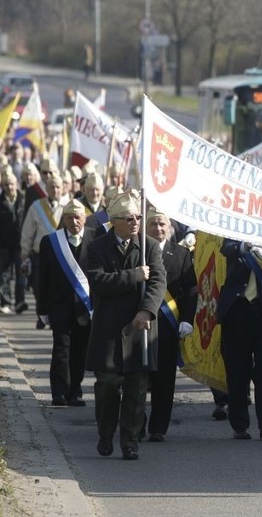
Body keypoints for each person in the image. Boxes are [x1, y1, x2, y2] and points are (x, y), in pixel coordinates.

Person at [84, 193, 166, 460]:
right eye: (129, 218)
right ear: (114, 222)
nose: (135, 223)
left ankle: (130, 440)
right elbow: (98, 281)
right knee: (107, 384)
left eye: (138, 218)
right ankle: (106, 433)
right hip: (108, 327)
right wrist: (133, 275)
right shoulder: (97, 247)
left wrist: (147, 311)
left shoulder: (149, 246)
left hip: (139, 327)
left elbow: (158, 282)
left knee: (137, 387)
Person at [216, 239, 262, 441]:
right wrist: (245, 246)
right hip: (237, 310)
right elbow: (226, 248)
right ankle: (240, 425)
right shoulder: (237, 223)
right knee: (237, 371)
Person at [143, 208, 198, 442]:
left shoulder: (181, 254)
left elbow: (192, 289)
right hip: (142, 325)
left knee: (164, 380)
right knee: (138, 380)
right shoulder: (139, 252)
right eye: (153, 224)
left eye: (162, 224)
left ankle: (158, 428)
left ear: (170, 227)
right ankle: (135, 423)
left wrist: (187, 318)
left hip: (168, 327)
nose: (158, 228)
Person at [37, 199, 93, 406]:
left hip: (84, 308)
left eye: (77, 217)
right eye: (69, 217)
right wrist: (42, 309)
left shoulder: (95, 238)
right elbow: (42, 277)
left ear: (84, 218)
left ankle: (75, 391)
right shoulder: (51, 241)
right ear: (64, 219)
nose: (73, 221)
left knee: (79, 351)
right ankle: (58, 392)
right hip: (59, 306)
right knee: (61, 348)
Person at [20, 175, 65, 329]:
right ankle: (41, 314)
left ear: (63, 189)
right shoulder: (37, 206)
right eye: (52, 187)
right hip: (40, 253)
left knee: (57, 286)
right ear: (47, 189)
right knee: (39, 285)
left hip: (62, 253)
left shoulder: (68, 206)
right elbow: (28, 230)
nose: (55, 190)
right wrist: (25, 250)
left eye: (58, 187)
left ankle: (54, 316)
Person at [0, 171, 26, 314]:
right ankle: (5, 302)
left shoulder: (23, 199)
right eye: (6, 184)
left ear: (16, 184)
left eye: (12, 184)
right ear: (3, 186)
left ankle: (20, 302)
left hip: (20, 244)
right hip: (3, 244)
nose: (10, 187)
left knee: (20, 274)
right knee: (3, 275)